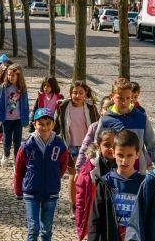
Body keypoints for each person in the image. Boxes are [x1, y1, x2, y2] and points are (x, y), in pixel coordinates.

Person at [14, 108, 69, 241]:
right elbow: (19, 169)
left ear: (53, 124)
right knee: (34, 229)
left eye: (47, 124)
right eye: (41, 124)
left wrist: (54, 178)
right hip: (31, 191)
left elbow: (62, 166)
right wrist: (18, 190)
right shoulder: (27, 145)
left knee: (47, 230)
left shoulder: (59, 144)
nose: (44, 127)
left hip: (51, 192)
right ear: (34, 124)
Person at [94, 77, 155, 174]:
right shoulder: (106, 120)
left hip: (138, 171)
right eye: (120, 98)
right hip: (112, 172)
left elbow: (153, 146)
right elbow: (97, 145)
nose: (124, 102)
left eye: (128, 98)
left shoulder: (141, 118)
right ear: (112, 96)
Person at [88, 130, 145, 241]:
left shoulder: (144, 183)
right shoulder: (105, 183)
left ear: (137, 154)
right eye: (120, 155)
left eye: (129, 155)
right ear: (113, 152)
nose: (124, 160)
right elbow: (95, 220)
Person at [55, 81, 100, 219]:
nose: (77, 95)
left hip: (88, 147)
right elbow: (58, 125)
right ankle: (74, 205)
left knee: (89, 176)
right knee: (73, 176)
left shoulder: (91, 108)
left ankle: (89, 204)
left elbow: (98, 125)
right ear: (70, 94)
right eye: (74, 92)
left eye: (80, 92)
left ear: (85, 94)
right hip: (70, 146)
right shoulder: (63, 107)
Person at [75, 128, 117, 240]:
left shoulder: (123, 166)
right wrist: (81, 225)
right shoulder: (89, 168)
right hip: (94, 217)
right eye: (107, 145)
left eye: (114, 144)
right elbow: (81, 198)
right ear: (98, 146)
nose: (111, 148)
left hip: (115, 219)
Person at [0, 63, 29, 167]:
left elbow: (25, 105)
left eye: (13, 75)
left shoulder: (22, 88)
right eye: (9, 75)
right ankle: (6, 154)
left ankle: (16, 161)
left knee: (17, 142)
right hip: (6, 119)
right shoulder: (3, 87)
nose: (10, 77)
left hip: (18, 119)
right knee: (7, 141)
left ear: (18, 76)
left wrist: (26, 119)